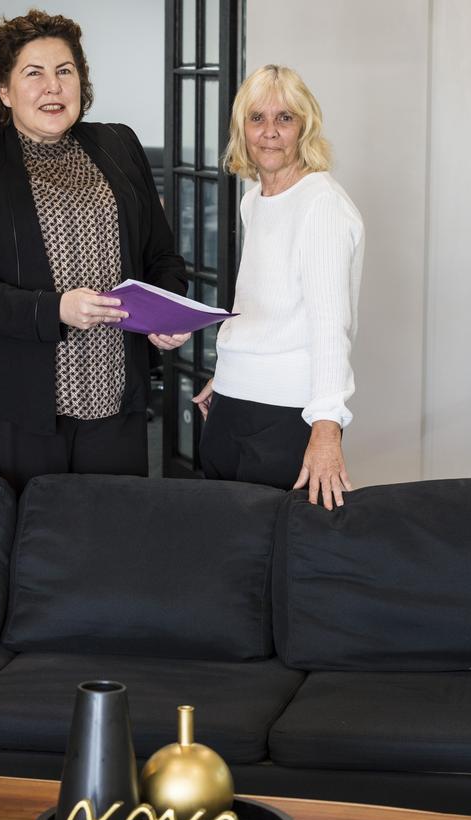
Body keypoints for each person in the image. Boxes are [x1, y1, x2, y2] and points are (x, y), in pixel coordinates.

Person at [0, 8, 189, 492]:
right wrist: (56, 309)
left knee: (109, 534)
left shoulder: (119, 143)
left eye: (64, 71)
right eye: (34, 73)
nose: (53, 86)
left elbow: (162, 257)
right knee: (16, 539)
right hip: (13, 400)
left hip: (115, 392)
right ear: (4, 91)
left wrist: (167, 313)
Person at [193, 64, 364, 510]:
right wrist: (228, 370)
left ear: (304, 127)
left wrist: (327, 428)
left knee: (279, 553)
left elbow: (331, 326)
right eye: (257, 118)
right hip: (232, 402)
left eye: (284, 118)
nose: (270, 131)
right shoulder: (256, 199)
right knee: (225, 544)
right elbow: (267, 304)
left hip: (287, 415)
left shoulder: (322, 205)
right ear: (241, 128)